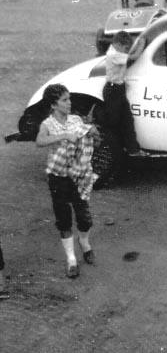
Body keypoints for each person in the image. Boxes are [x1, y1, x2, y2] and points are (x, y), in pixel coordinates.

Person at [36, 84, 99, 278]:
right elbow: (39, 141)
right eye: (64, 100)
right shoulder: (47, 124)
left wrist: (92, 133)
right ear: (54, 105)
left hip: (78, 175)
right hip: (58, 178)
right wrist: (64, 135)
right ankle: (71, 259)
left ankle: (84, 242)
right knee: (63, 219)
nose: (69, 103)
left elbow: (91, 138)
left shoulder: (76, 119)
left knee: (84, 218)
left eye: (69, 99)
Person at [103, 31, 148, 157]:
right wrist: (141, 44)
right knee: (114, 123)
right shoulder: (113, 54)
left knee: (127, 120)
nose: (125, 51)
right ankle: (114, 150)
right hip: (113, 90)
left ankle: (133, 149)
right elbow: (134, 56)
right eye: (124, 48)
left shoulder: (116, 52)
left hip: (118, 88)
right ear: (117, 44)